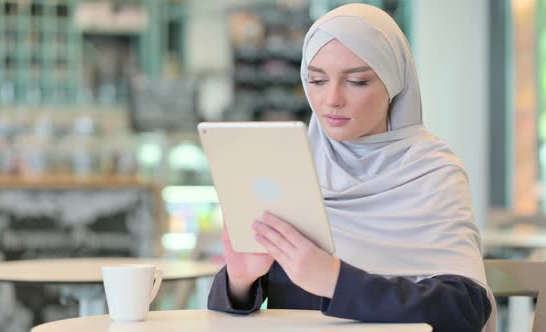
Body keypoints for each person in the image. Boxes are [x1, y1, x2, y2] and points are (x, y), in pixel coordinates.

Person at [207, 4, 495, 332]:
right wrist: (241, 280)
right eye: (316, 80)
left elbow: (464, 309)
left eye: (356, 81)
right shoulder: (294, 168)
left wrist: (335, 280)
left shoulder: (431, 171)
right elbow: (235, 309)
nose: (332, 99)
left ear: (393, 83)